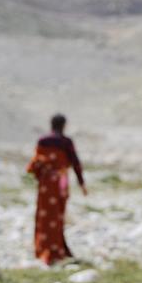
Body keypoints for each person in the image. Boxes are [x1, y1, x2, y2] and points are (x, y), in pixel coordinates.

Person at [26, 113, 87, 265]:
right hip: (61, 182)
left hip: (46, 184)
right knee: (58, 216)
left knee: (44, 215)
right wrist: (82, 184)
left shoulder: (42, 141)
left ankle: (42, 248)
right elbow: (75, 163)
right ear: (64, 125)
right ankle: (57, 249)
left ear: (51, 124)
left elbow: (35, 164)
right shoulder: (66, 142)